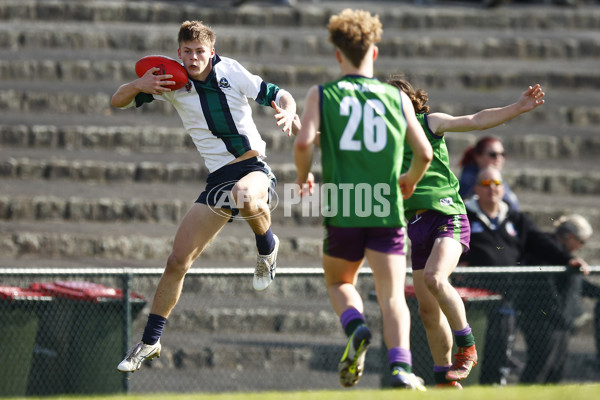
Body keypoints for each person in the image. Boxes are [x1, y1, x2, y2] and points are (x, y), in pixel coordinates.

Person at [111, 20, 298, 372]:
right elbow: (117, 101)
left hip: (252, 168)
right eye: (188, 52)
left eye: (201, 51)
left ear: (211, 52)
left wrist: (288, 109)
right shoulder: (171, 81)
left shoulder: (230, 71)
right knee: (177, 261)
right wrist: (138, 84)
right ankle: (150, 341)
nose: (194, 57)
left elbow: (278, 94)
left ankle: (267, 248)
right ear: (179, 53)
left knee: (245, 194)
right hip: (217, 181)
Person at [294, 8, 433, 390]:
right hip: (386, 207)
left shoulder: (321, 94)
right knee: (392, 296)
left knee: (340, 281)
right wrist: (409, 179)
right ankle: (401, 368)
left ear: (337, 54)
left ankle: (355, 327)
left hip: (344, 206)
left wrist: (304, 177)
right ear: (374, 52)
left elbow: (304, 142)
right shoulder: (394, 97)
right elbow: (425, 154)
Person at [387, 78, 545, 388]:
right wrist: (307, 130)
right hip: (417, 227)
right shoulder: (385, 139)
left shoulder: (429, 123)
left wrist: (518, 107)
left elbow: (475, 121)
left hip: (448, 216)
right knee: (427, 311)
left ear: (413, 101)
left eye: (399, 97)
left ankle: (467, 346)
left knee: (435, 278)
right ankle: (444, 377)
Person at [458, 166, 587, 385]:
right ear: (477, 188)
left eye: (497, 184)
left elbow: (540, 242)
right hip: (472, 300)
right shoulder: (464, 216)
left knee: (498, 356)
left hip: (506, 300)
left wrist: (566, 260)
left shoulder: (516, 218)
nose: (492, 189)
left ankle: (494, 390)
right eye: (487, 184)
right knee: (471, 352)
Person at [516, 214, 593, 383]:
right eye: (581, 242)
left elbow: (578, 283)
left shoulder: (564, 255)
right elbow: (547, 289)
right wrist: (559, 314)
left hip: (560, 321)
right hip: (543, 319)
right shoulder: (546, 250)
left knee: (556, 368)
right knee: (540, 366)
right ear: (571, 236)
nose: (580, 247)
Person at [458, 136, 520, 211]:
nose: (499, 158)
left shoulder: (496, 177)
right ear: (478, 157)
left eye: (502, 154)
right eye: (493, 154)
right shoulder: (468, 182)